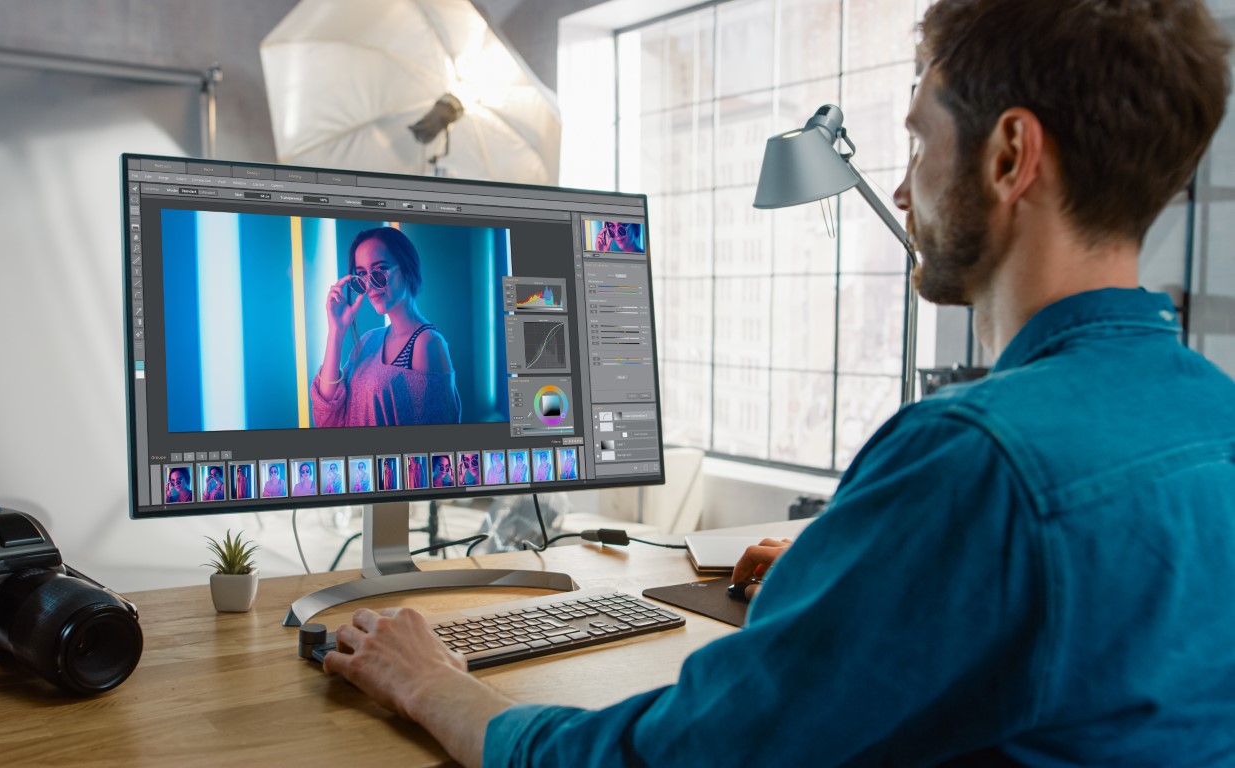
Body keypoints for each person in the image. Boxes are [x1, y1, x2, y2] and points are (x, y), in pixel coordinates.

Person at [317, 2, 1235, 765]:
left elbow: (674, 758)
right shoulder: (1214, 415)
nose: (904, 190)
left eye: (917, 141)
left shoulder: (974, 456)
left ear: (1007, 156)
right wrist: (868, 576)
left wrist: (431, 683)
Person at [311, 228, 461, 427]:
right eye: (362, 275)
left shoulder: (427, 344)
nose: (370, 285)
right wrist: (336, 332)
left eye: (379, 270)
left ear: (406, 266)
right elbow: (326, 418)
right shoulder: (368, 341)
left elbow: (434, 449)